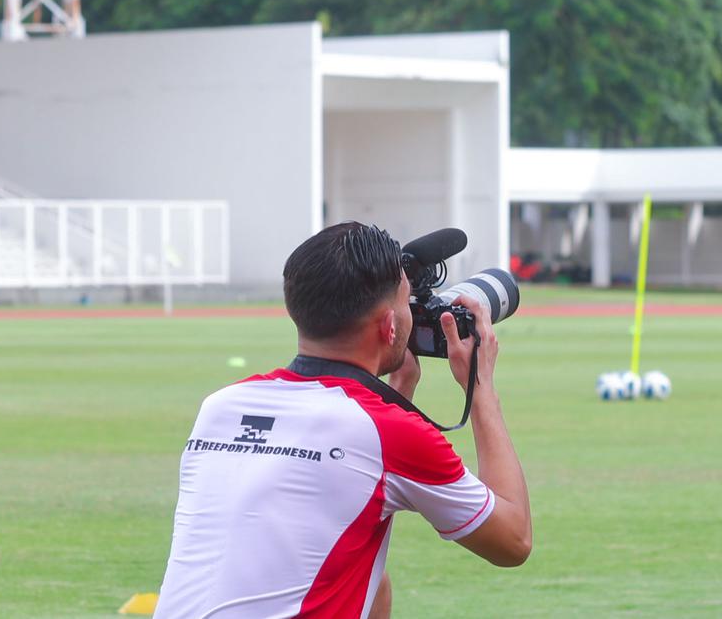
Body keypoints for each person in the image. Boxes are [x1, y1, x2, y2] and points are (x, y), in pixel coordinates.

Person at [154, 222, 532, 618]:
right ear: (389, 326)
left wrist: (397, 388)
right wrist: (480, 387)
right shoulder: (389, 432)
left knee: (373, 580)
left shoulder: (221, 406)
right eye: (406, 305)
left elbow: (347, 481)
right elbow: (513, 539)